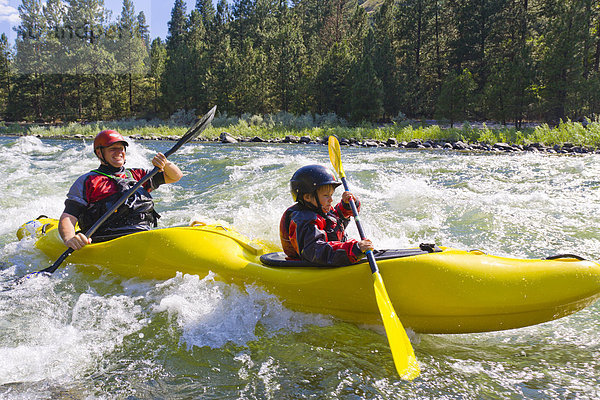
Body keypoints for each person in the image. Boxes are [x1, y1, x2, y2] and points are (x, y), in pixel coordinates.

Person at [59, 129, 183, 250]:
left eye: (121, 149)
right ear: (99, 153)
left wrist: (165, 164)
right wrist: (70, 239)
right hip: (106, 240)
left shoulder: (138, 175)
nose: (119, 152)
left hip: (141, 236)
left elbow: (175, 176)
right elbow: (69, 216)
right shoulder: (88, 181)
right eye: (112, 149)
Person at [279, 164, 374, 266]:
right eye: (326, 195)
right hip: (311, 264)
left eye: (331, 195)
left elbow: (335, 220)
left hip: (332, 257)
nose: (331, 199)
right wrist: (354, 249)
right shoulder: (304, 220)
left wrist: (347, 206)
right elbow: (316, 251)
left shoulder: (320, 209)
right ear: (307, 197)